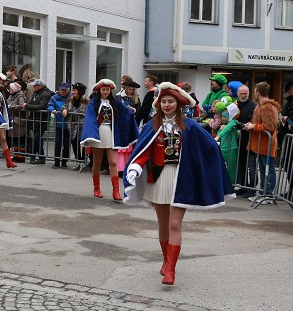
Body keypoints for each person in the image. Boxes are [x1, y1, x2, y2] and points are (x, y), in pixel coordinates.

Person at [123, 82, 234, 285]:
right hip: (159, 179)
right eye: (163, 101)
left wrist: (213, 159)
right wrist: (134, 168)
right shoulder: (152, 126)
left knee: (175, 224)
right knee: (163, 224)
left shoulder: (189, 126)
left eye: (170, 101)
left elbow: (209, 145)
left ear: (177, 103)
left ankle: (171, 270)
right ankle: (166, 260)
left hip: (181, 179)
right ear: (159, 104)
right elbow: (143, 150)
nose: (166, 105)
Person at [80, 79, 137, 199]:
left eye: (107, 90)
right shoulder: (94, 102)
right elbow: (90, 117)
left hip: (112, 134)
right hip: (98, 134)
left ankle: (116, 191)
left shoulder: (115, 102)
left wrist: (131, 111)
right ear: (99, 90)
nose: (105, 91)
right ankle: (97, 188)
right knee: (97, 163)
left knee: (113, 162)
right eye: (103, 89)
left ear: (110, 90)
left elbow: (124, 112)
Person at [241, 82, 279, 197]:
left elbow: (270, 126)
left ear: (257, 92)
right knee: (262, 169)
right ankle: (263, 191)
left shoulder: (268, 107)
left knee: (269, 169)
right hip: (260, 144)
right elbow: (260, 123)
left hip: (267, 144)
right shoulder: (259, 106)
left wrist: (254, 126)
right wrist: (251, 125)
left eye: (254, 92)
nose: (254, 94)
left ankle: (268, 193)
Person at [26, 79, 53, 164]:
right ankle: (37, 157)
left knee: (36, 139)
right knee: (37, 139)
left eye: (35, 86)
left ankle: (37, 157)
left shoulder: (45, 94)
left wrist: (27, 106)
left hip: (41, 120)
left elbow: (42, 106)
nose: (33, 87)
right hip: (35, 119)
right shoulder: (36, 93)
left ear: (39, 86)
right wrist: (28, 105)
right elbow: (32, 103)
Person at [48, 82, 71, 168]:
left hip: (69, 125)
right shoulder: (54, 97)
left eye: (64, 90)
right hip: (58, 124)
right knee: (57, 143)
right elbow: (49, 105)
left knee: (66, 144)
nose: (62, 91)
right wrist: (52, 109)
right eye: (61, 89)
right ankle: (56, 161)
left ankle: (64, 162)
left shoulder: (71, 97)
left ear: (68, 90)